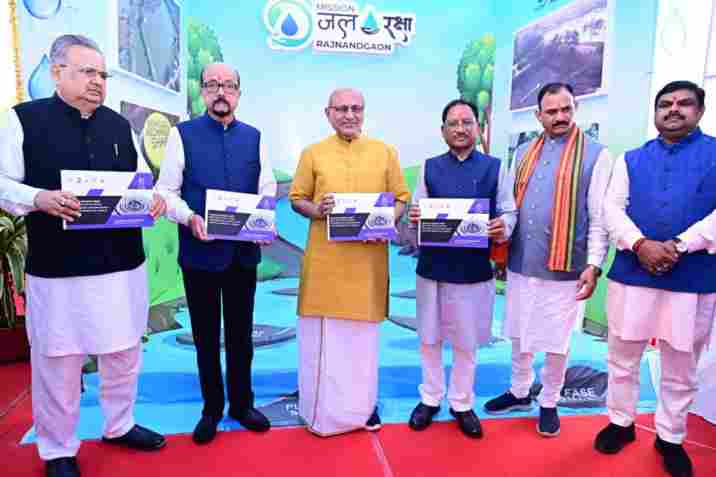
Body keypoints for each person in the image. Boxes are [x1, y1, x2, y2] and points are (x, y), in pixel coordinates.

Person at [0, 34, 166, 477]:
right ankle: (57, 449)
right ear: (57, 73)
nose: (98, 81)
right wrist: (38, 198)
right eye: (87, 72)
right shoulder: (23, 120)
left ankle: (120, 424)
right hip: (59, 268)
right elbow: (2, 181)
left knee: (124, 350)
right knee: (58, 358)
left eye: (102, 74)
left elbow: (141, 180)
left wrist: (152, 199)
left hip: (122, 264)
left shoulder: (119, 125)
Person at [596, 80, 716, 477]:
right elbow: (611, 209)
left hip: (693, 275)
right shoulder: (630, 159)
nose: (674, 109)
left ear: (700, 111)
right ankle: (621, 422)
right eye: (665, 104)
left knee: (681, 363)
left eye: (684, 103)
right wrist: (640, 244)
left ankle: (670, 437)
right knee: (622, 356)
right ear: (656, 112)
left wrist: (680, 245)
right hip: (633, 272)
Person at [483, 83, 613, 437]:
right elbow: (510, 206)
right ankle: (519, 391)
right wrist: (502, 230)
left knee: (557, 340)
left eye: (566, 109)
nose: (560, 117)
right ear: (538, 115)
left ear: (575, 109)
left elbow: (599, 217)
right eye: (552, 111)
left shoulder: (596, 155)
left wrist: (593, 265)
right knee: (520, 331)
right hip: (522, 260)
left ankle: (550, 401)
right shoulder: (524, 151)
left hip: (566, 267)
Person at [157, 63, 276, 444]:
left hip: (242, 255)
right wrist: (189, 218)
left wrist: (265, 220)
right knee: (205, 337)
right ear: (202, 91)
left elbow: (266, 187)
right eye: (212, 85)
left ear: (238, 92)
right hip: (200, 255)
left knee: (241, 336)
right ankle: (211, 408)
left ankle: (242, 404)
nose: (221, 92)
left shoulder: (255, 137)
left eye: (228, 85)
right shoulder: (182, 135)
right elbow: (165, 192)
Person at [289, 88, 410, 436]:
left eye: (356, 108)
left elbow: (401, 198)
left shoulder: (385, 152)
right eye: (341, 109)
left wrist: (385, 221)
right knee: (325, 340)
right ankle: (321, 412)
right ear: (328, 113)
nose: (349, 115)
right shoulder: (313, 153)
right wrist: (318, 210)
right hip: (326, 265)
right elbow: (297, 199)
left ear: (364, 112)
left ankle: (363, 408)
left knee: (361, 342)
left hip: (367, 264)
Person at [406, 99, 517, 438]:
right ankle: (430, 398)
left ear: (477, 128)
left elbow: (509, 211)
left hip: (473, 269)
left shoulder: (495, 168)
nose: (460, 129)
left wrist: (502, 226)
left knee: (466, 342)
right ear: (443, 131)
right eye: (453, 123)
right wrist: (415, 217)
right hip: (432, 268)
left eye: (467, 122)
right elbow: (415, 212)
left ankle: (462, 402)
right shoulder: (429, 168)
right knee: (429, 337)